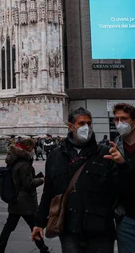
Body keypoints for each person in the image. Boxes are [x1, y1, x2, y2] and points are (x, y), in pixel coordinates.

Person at [31, 107, 118, 253]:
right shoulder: (56, 156)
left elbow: (118, 189)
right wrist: (39, 223)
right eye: (81, 123)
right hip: (69, 229)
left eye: (89, 124)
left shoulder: (106, 154)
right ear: (71, 126)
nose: (86, 128)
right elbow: (49, 192)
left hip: (100, 230)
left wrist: (123, 164)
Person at [0, 137, 50, 253]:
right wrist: (41, 179)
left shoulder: (13, 160)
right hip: (25, 202)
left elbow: (20, 180)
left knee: (9, 227)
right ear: (29, 147)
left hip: (15, 199)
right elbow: (28, 184)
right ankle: (43, 249)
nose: (34, 150)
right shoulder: (24, 164)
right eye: (33, 148)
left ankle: (0, 249)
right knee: (34, 225)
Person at [105, 102, 135, 253]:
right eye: (116, 120)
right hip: (126, 217)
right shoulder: (115, 146)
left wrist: (124, 164)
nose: (119, 123)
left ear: (133, 121)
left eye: (124, 119)